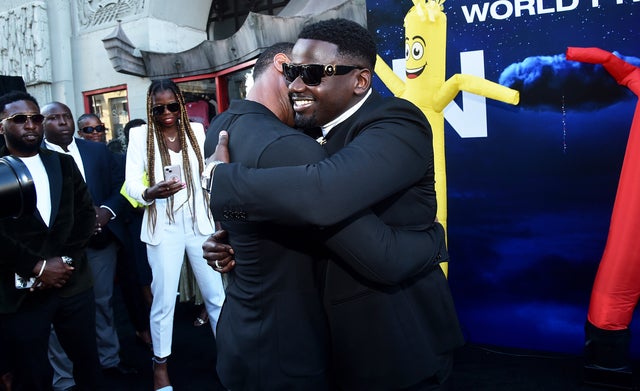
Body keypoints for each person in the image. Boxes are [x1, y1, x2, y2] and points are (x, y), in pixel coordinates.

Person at [203, 19, 464, 390]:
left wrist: (220, 180)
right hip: (338, 351)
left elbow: (320, 195)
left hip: (400, 345)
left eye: (311, 74)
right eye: (292, 72)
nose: (294, 86)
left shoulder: (397, 123)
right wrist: (231, 239)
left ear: (360, 81)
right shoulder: (305, 132)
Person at [124, 79, 225, 391]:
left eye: (171, 106)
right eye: (158, 108)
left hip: (198, 223)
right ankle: (160, 368)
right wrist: (150, 191)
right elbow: (130, 184)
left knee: (217, 297)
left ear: (180, 104)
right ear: (150, 109)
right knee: (164, 300)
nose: (166, 113)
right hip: (162, 225)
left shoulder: (195, 131)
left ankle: (230, 359)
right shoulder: (142, 136)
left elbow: (208, 173)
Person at [0, 91, 103, 390]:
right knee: (32, 374)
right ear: (2, 125)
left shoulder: (62, 163)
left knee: (88, 365)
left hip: (74, 283)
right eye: (20, 119)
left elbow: (85, 216)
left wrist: (64, 263)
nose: (31, 125)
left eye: (35, 118)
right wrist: (38, 266)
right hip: (22, 292)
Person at [41, 103, 137, 390]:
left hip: (100, 242)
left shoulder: (96, 151)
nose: (62, 122)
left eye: (66, 116)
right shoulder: (36, 157)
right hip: (58, 250)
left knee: (103, 303)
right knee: (58, 315)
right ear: (43, 124)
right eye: (53, 118)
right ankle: (65, 378)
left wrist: (106, 211)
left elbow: (121, 186)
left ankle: (109, 360)